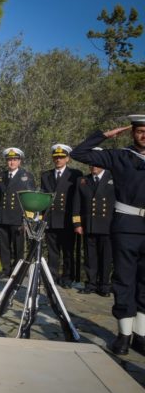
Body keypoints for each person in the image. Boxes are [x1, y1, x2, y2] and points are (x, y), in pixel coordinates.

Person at [70, 115, 145, 356]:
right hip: (126, 225)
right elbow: (79, 153)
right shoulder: (120, 156)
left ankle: (141, 336)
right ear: (133, 133)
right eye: (140, 131)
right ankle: (124, 336)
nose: (144, 135)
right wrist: (105, 135)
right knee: (124, 280)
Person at [72, 153, 115, 296]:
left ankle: (104, 285)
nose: (93, 166)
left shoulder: (113, 178)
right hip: (88, 225)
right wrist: (77, 223)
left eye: (96, 163)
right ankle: (90, 284)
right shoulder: (83, 180)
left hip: (108, 225)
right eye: (91, 163)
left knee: (106, 257)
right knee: (90, 257)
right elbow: (76, 204)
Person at [40, 144, 83, 288]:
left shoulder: (75, 175)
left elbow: (78, 198)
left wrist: (78, 221)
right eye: (56, 157)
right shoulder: (45, 175)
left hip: (67, 219)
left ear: (68, 159)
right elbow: (44, 198)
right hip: (51, 219)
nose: (58, 159)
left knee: (68, 252)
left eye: (61, 157)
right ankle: (52, 277)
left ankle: (67, 277)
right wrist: (41, 218)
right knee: (52, 252)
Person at [0, 148, 36, 278]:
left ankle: (17, 271)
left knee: (18, 247)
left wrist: (28, 218)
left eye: (14, 160)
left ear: (19, 161)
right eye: (9, 160)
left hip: (18, 217)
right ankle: (6, 269)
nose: (11, 162)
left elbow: (30, 198)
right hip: (3, 215)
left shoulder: (26, 176)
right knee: (4, 245)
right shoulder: (1, 176)